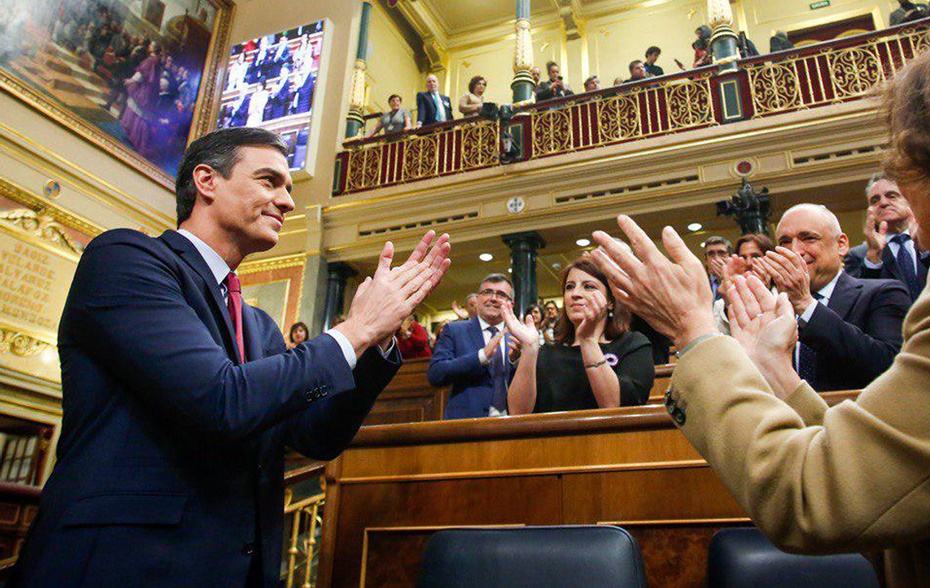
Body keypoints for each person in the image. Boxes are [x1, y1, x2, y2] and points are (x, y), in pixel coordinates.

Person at [587, 7, 930, 587]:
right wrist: (778, 377)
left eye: (902, 148)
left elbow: (814, 497)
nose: (898, 173)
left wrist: (695, 330)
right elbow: (905, 481)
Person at [6, 127, 451, 588]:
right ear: (206, 181)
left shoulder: (258, 325)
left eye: (289, 188)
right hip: (122, 565)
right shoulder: (126, 259)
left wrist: (377, 341)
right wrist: (354, 330)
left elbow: (315, 436)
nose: (287, 201)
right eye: (269, 181)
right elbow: (220, 400)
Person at [752, 204, 910, 391]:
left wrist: (805, 305)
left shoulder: (883, 293)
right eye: (785, 242)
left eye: (809, 238)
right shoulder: (773, 309)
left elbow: (889, 367)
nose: (795, 251)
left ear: (841, 245)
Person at [502, 259, 653, 414]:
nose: (575, 294)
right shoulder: (547, 352)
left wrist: (587, 340)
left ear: (610, 302)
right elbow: (517, 413)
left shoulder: (633, 344)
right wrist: (529, 349)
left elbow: (614, 407)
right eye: (570, 287)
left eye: (588, 286)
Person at [427, 274, 515, 419]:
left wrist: (515, 361)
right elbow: (436, 374)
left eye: (501, 294)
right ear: (478, 299)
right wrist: (481, 357)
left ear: (510, 304)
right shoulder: (454, 330)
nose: (493, 298)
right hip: (465, 425)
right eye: (487, 292)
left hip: (512, 425)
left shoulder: (517, 335)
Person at [843, 172, 930, 301]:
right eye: (875, 200)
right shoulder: (858, 256)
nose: (883, 203)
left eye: (892, 196)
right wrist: (873, 257)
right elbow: (857, 302)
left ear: (909, 200)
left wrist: (924, 248)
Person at [713, 233, 773, 334]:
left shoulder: (785, 294)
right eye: (743, 257)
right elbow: (723, 340)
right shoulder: (721, 305)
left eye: (755, 256)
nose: (749, 263)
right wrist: (730, 303)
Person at [702, 235, 731, 301]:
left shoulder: (737, 282)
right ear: (706, 260)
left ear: (730, 257)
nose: (717, 258)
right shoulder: (700, 284)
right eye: (711, 254)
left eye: (721, 253)